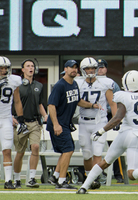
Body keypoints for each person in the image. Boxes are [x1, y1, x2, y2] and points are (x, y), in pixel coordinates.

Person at [76, 70, 138, 194]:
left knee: (105, 162)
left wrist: (101, 131)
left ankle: (84, 187)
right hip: (137, 137)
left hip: (124, 135)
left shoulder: (123, 95)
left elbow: (117, 118)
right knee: (132, 173)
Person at [46, 60, 100, 189]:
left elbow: (78, 101)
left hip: (64, 123)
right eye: (71, 67)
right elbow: (51, 105)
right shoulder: (60, 85)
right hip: (58, 123)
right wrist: (56, 124)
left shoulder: (74, 84)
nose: (74, 70)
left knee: (66, 151)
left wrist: (92, 105)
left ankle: (55, 177)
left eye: (76, 67)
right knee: (68, 150)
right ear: (65, 69)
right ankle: (62, 181)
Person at [75, 57, 117, 189]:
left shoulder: (106, 83)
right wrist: (91, 105)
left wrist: (115, 119)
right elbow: (77, 101)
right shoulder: (77, 83)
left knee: (97, 152)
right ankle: (89, 178)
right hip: (83, 122)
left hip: (99, 122)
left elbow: (112, 102)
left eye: (93, 68)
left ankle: (96, 178)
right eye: (87, 68)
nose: (90, 71)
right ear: (82, 70)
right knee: (87, 153)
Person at [12, 59, 48, 188]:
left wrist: (45, 115)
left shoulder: (39, 85)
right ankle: (16, 179)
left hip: (34, 122)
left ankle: (32, 178)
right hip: (20, 122)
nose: (30, 68)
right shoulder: (17, 85)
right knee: (20, 152)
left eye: (32, 66)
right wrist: (11, 117)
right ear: (23, 69)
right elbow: (12, 103)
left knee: (35, 147)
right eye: (28, 66)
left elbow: (40, 103)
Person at [0, 56, 26, 189]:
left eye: (5, 68)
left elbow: (17, 101)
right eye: (1, 68)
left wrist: (20, 118)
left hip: (5, 118)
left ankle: (8, 181)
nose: (4, 71)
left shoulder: (14, 80)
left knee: (7, 149)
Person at [97, 58, 123, 183]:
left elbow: (118, 103)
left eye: (102, 67)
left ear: (106, 69)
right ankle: (97, 173)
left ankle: (119, 175)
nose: (99, 69)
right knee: (95, 146)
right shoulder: (90, 82)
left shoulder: (112, 83)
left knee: (114, 146)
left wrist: (116, 120)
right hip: (95, 116)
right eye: (97, 67)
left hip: (109, 116)